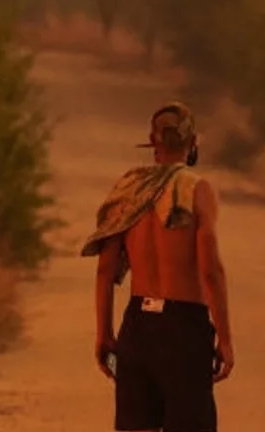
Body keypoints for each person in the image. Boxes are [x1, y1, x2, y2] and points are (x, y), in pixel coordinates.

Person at [80, 102, 234, 432]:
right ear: (192, 143)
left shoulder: (128, 191)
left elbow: (105, 271)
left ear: (153, 141)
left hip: (137, 327)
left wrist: (104, 333)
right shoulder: (197, 189)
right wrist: (225, 338)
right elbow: (210, 271)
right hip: (183, 328)